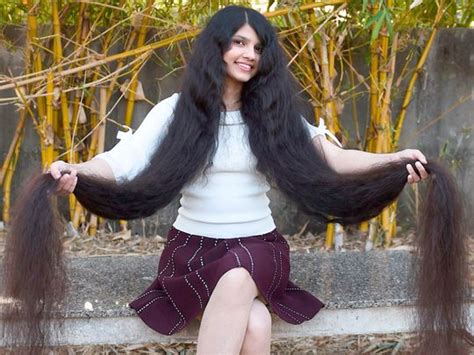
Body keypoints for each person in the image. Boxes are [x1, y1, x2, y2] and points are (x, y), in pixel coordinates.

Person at [45, 6, 430, 354]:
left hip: (258, 247)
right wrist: (77, 172)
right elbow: (118, 164)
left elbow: (336, 158)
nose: (249, 54)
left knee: (238, 273)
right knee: (256, 324)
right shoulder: (175, 112)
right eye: (239, 42)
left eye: (258, 47)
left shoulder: (273, 114)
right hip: (191, 252)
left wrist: (392, 159)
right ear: (217, 47)